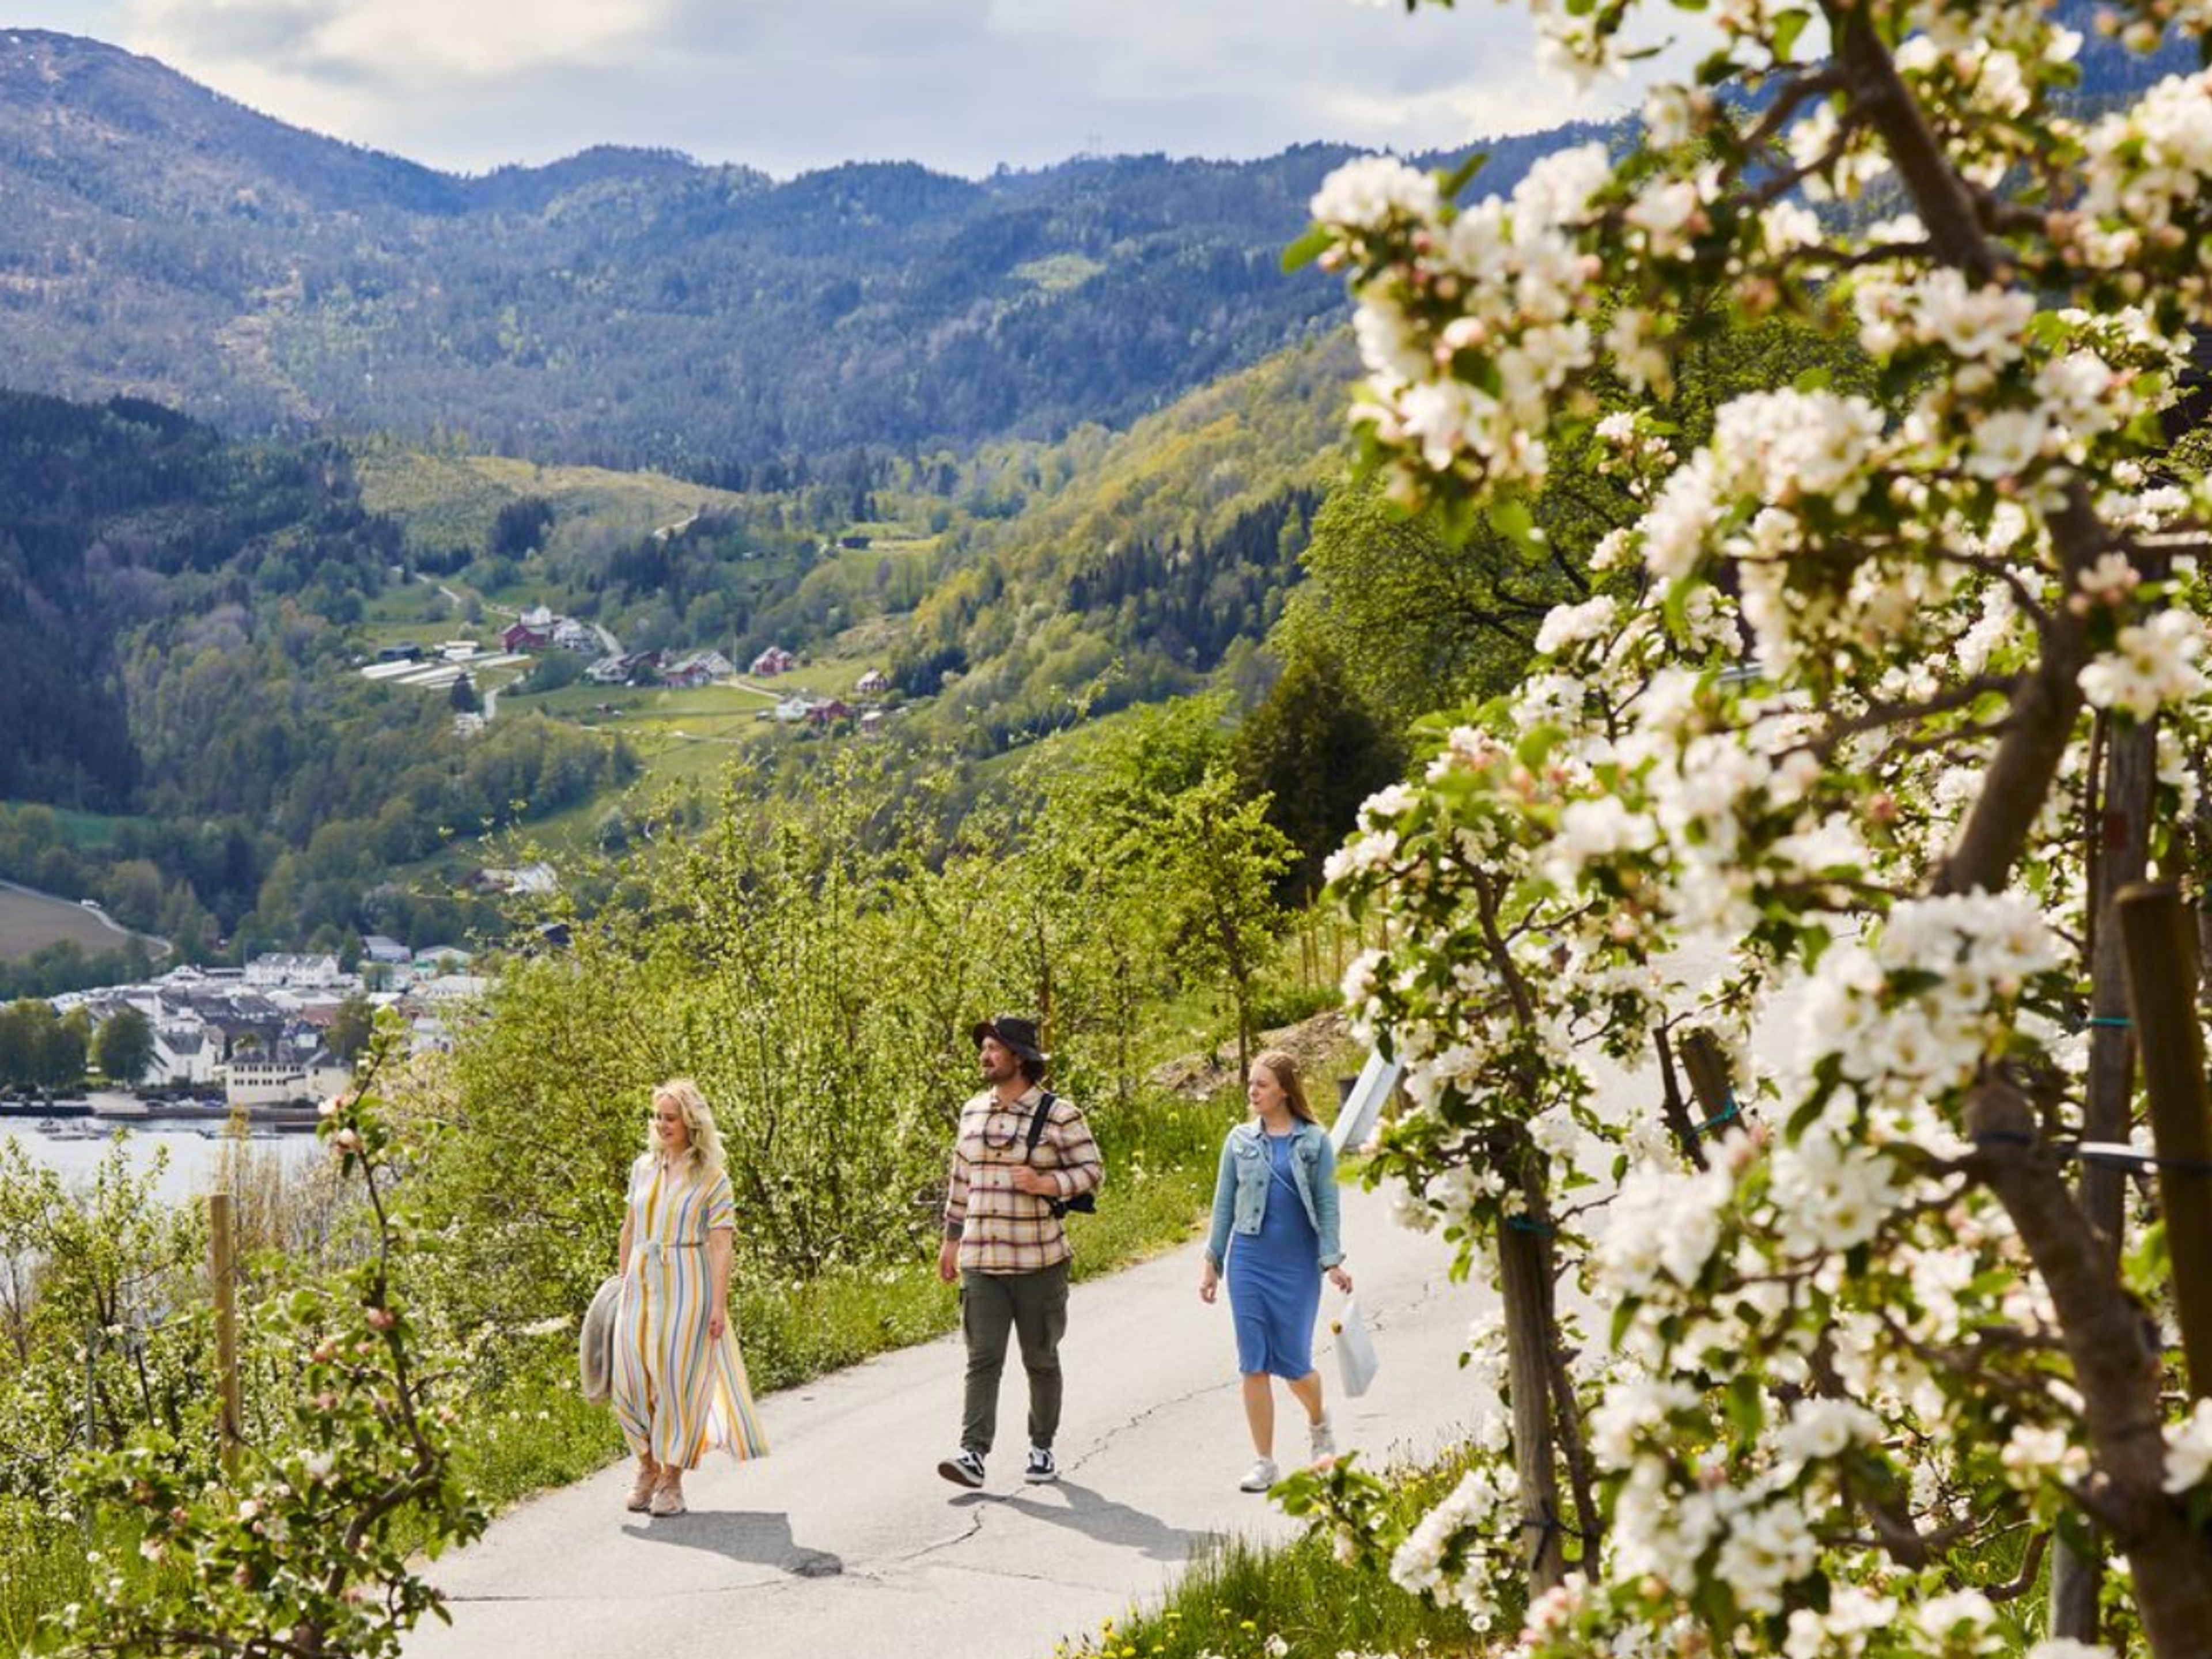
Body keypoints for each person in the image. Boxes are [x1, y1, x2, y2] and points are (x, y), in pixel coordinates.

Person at [936, 1015, 1104, 1490]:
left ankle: (1042, 1448)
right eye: (984, 1048)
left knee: (1041, 1359)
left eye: (993, 1048)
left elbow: (1093, 1171)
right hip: (981, 1262)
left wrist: (1046, 1183)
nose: (984, 1056)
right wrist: (950, 1242)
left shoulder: (1059, 1114)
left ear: (1019, 1057)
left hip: (1039, 1262)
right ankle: (972, 1454)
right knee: (982, 1359)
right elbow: (960, 1182)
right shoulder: (972, 1112)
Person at [611, 1078, 768, 1517]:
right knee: (629, 1381)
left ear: (690, 1123)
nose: (662, 1125)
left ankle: (672, 1480)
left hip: (688, 1282)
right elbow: (629, 1227)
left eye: (670, 1117)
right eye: (657, 1117)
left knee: (678, 1383)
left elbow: (721, 1245)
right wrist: (621, 1282)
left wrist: (718, 1305)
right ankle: (645, 1464)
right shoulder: (643, 1167)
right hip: (640, 1282)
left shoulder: (713, 1178)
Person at [1199, 1048, 1351, 1492]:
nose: (1253, 1091)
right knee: (1254, 1363)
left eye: (1262, 1084)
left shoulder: (1314, 1142)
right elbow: (1223, 1204)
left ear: (1285, 1090)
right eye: (1251, 1082)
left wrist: (1332, 1261)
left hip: (1296, 1264)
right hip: (1248, 1259)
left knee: (1295, 1364)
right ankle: (1264, 1461)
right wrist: (1212, 1262)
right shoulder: (1239, 1140)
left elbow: (1327, 1205)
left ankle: (1319, 1423)